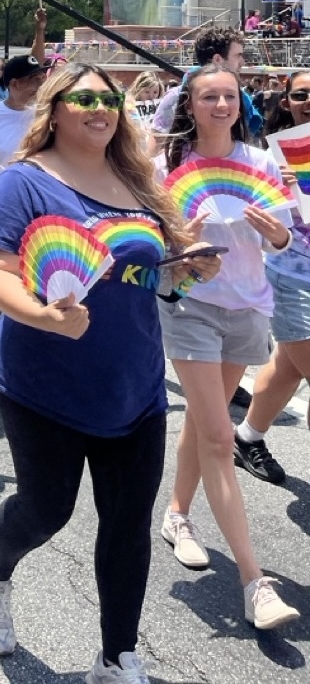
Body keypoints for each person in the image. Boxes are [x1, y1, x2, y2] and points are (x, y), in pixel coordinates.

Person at [0, 62, 219, 678]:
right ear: (54, 110)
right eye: (83, 98)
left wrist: (186, 268)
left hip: (133, 385)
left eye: (110, 101)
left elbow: (150, 272)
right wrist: (44, 316)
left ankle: (116, 656)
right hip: (43, 382)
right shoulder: (24, 182)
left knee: (129, 526)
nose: (100, 109)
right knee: (46, 510)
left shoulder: (137, 182)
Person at [156, 64, 298, 632]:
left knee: (203, 418)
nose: (221, 105)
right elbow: (156, 245)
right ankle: (253, 582)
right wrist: (183, 244)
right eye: (209, 97)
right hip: (192, 305)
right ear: (190, 106)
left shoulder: (263, 161)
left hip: (249, 305)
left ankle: (177, 513)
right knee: (219, 435)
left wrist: (276, 233)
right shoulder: (169, 166)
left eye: (229, 96)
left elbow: (290, 235)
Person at [234, 70, 310, 484]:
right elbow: (249, 216)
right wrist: (277, 189)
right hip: (294, 278)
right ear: (286, 102)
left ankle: (247, 437)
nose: (309, 100)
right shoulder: (267, 159)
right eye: (301, 94)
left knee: (288, 368)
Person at [0, 53, 49, 346]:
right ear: (15, 84)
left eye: (42, 79)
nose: (41, 85)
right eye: (34, 81)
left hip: (40, 212)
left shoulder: (45, 117)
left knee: (37, 277)